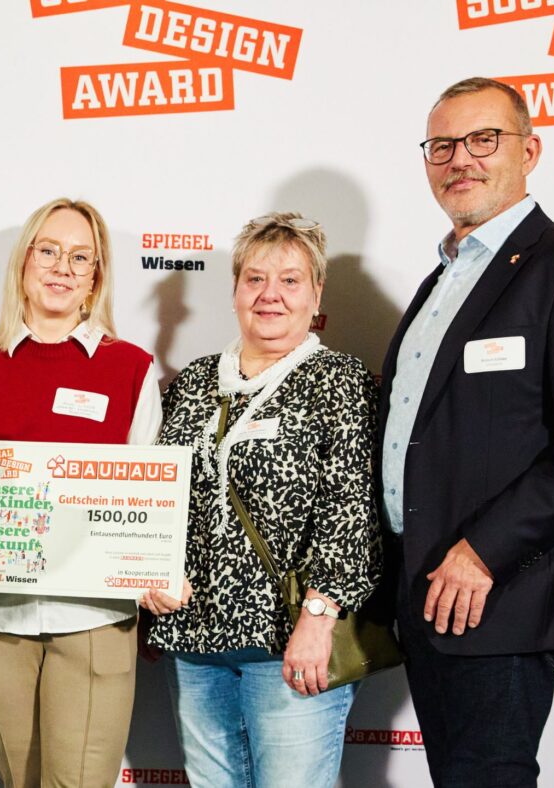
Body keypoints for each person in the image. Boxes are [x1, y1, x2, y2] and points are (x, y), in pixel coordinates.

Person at [144, 213, 380, 788]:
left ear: (316, 295)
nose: (270, 294)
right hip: (193, 637)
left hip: (290, 638)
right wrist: (146, 570)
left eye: (290, 280)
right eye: (255, 279)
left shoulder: (339, 381)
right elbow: (155, 493)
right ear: (235, 291)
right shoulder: (194, 382)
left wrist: (318, 619)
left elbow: (350, 509)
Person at [0, 197, 160, 788]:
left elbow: (146, 498)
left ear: (96, 277)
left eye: (80, 257)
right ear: (23, 263)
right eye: (49, 251)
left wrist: (152, 564)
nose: (63, 267)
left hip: (94, 616)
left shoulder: (131, 369)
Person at [381, 77, 554, 787]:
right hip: (427, 598)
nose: (461, 159)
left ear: (529, 152)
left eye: (484, 140)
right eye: (443, 145)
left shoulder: (553, 268)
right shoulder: (442, 280)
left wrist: (484, 553)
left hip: (499, 599)